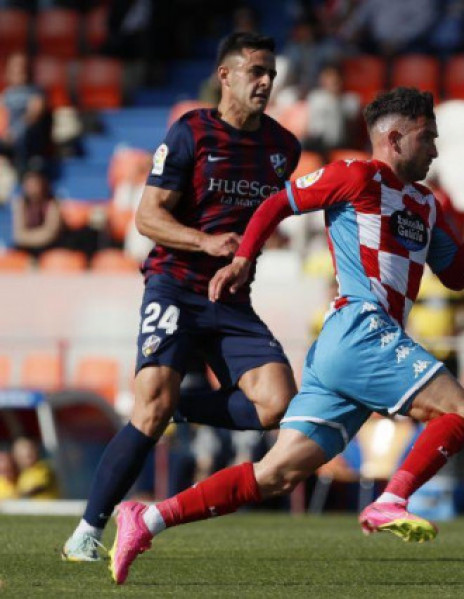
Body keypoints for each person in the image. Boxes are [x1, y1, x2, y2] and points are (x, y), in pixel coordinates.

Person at [107, 87, 464, 585]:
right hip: (359, 327)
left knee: (275, 475)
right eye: (427, 137)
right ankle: (391, 499)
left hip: (351, 349)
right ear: (393, 138)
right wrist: (242, 259)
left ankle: (146, 519)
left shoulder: (425, 205)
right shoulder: (355, 175)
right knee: (462, 412)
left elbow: (454, 276)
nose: (434, 148)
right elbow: (277, 204)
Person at [61, 32, 302, 563]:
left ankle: (177, 408)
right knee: (150, 408)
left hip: (231, 296)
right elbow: (148, 217)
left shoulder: (284, 149)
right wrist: (206, 241)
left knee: (276, 404)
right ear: (226, 75)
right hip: (175, 283)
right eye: (256, 71)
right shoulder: (192, 130)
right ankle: (86, 531)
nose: (265, 82)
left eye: (272, 74)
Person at [0, 53, 52, 176]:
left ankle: (23, 172)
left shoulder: (36, 92)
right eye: (15, 68)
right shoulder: (6, 94)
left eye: (22, 67)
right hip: (7, 138)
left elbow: (34, 115)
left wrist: (15, 132)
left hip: (27, 139)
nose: (19, 71)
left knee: (24, 136)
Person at [11, 168, 64, 257]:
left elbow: (50, 233)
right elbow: (18, 235)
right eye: (29, 184)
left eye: (35, 184)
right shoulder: (20, 203)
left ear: (42, 184)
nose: (31, 187)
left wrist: (28, 238)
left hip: (48, 246)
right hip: (27, 247)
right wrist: (27, 239)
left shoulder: (52, 204)